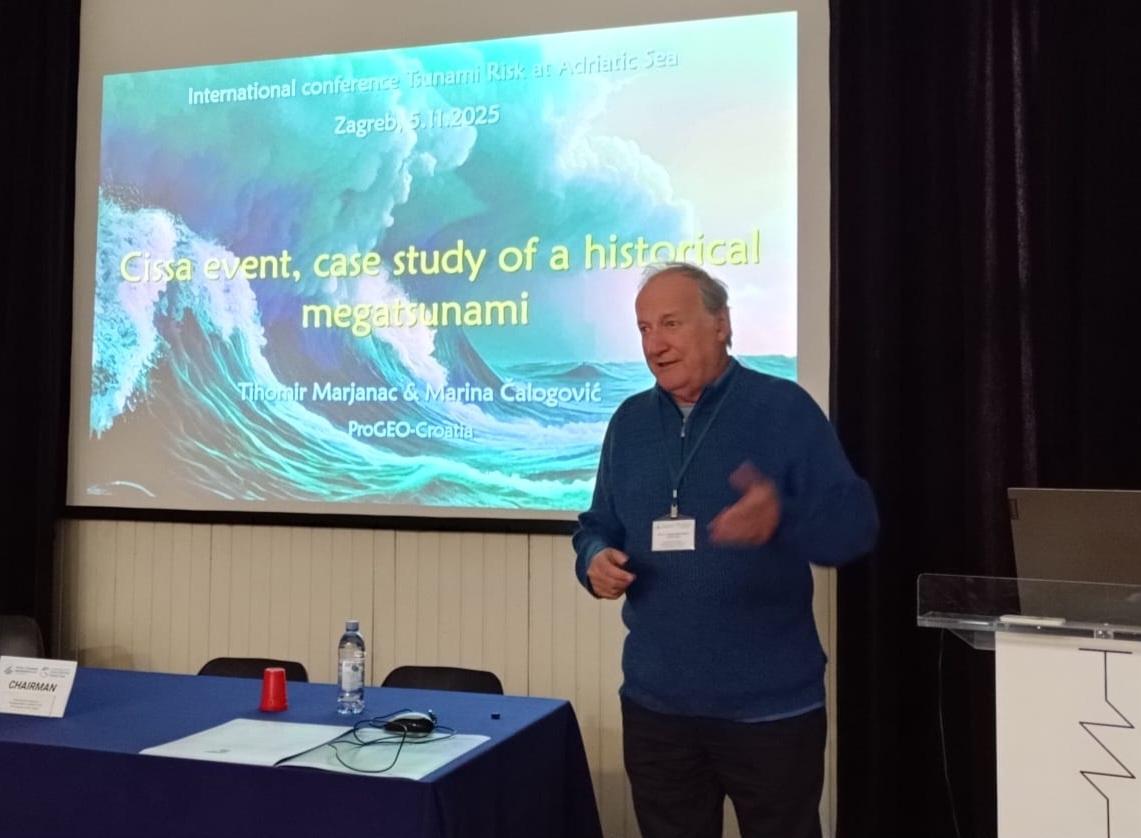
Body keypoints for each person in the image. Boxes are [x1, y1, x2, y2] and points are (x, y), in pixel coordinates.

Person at [573, 263, 878, 838]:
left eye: (670, 323)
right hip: (657, 708)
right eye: (643, 329)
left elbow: (856, 529)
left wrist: (783, 513)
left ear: (721, 324)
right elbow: (597, 525)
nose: (655, 345)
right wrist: (593, 559)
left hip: (769, 709)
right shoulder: (629, 423)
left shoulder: (782, 409)